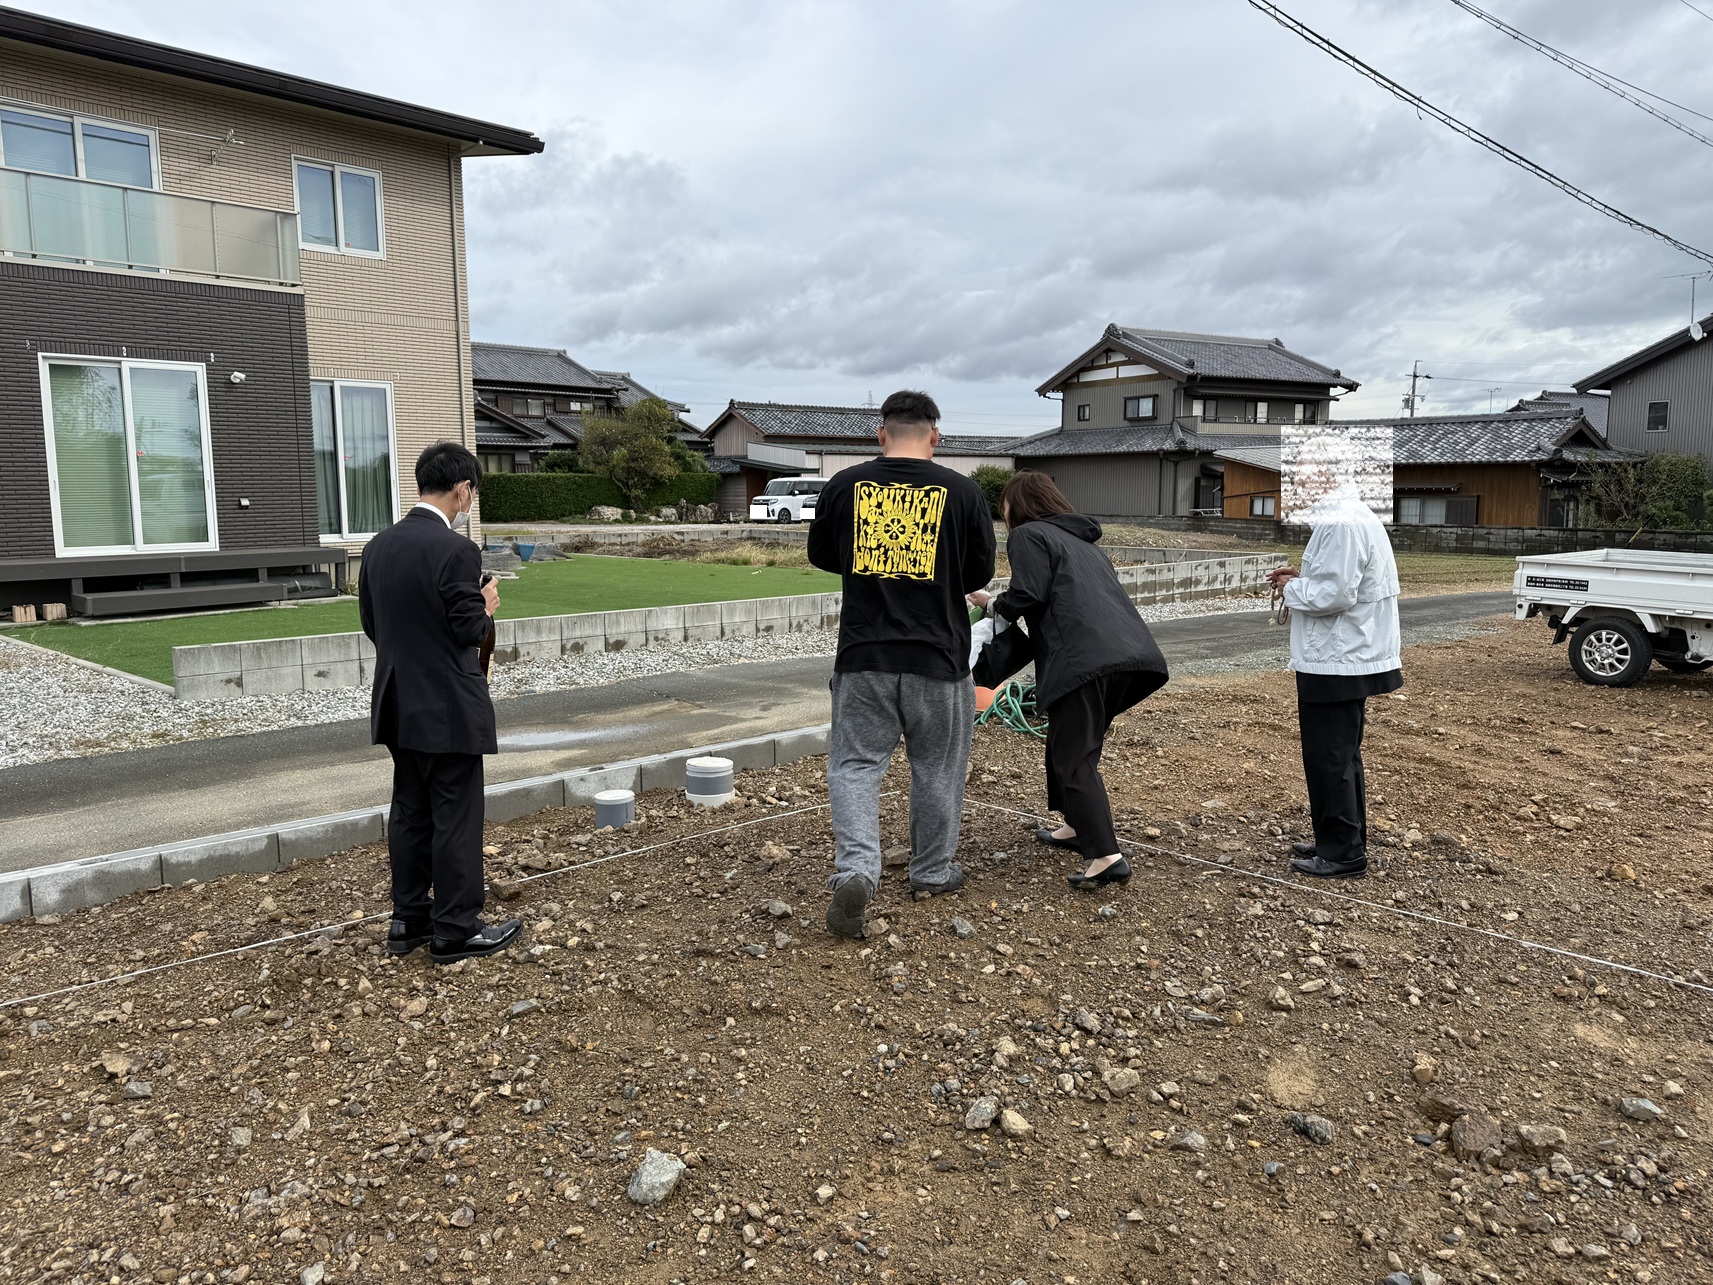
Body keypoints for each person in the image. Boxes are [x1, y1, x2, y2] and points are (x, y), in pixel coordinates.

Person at [807, 390, 997, 938]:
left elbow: (822, 555)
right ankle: (933, 871)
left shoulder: (845, 485)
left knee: (855, 765)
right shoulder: (962, 492)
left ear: (880, 433)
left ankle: (857, 871)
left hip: (864, 655)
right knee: (936, 767)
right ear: (935, 437)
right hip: (939, 658)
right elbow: (977, 570)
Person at [359, 442, 523, 964]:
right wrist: (486, 604)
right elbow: (468, 629)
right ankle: (456, 927)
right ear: (462, 489)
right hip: (448, 704)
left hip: (397, 699)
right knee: (455, 811)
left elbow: (372, 625)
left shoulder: (378, 546)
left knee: (410, 809)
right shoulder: (456, 550)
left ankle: (408, 918)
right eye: (471, 491)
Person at [968, 472, 1168, 891]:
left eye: (1004, 505)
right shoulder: (1082, 541)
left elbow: (1029, 595)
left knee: (1073, 758)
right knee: (1068, 746)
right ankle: (1076, 826)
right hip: (1129, 656)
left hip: (1082, 660)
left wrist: (991, 602)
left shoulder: (1027, 536)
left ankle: (1106, 855)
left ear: (1017, 506)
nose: (1003, 515)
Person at [1265, 476, 1402, 880]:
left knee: (1330, 757)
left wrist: (1293, 587)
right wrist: (1301, 579)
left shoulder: (1341, 523)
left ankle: (1343, 851)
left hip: (1337, 657)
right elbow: (1338, 582)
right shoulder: (1347, 517)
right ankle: (1339, 839)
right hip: (1345, 655)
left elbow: (1335, 594)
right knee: (1340, 755)